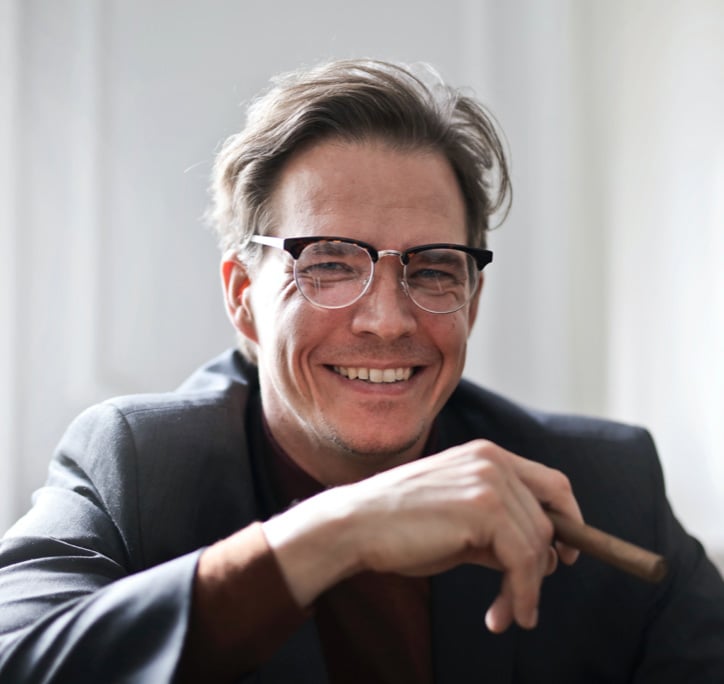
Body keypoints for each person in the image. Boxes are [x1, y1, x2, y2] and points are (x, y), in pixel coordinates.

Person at [0, 59, 723, 684]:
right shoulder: (135, 464)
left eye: (434, 270)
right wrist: (340, 529)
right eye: (328, 264)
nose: (386, 321)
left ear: (472, 301)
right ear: (243, 298)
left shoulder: (608, 485)